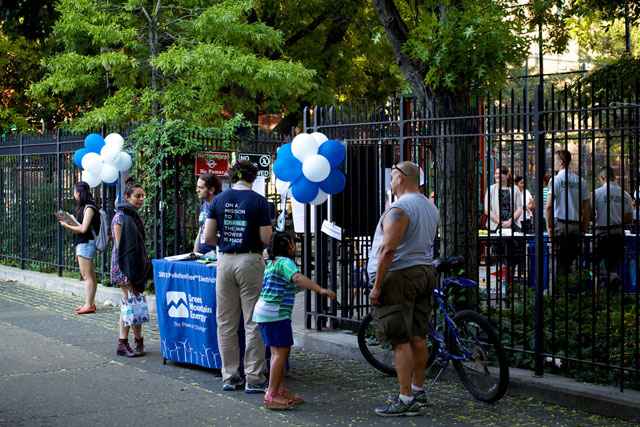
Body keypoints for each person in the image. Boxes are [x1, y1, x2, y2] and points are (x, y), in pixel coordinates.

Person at [367, 161, 439, 417]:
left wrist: (377, 287)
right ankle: (417, 390)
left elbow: (388, 249)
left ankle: (405, 398)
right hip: (424, 272)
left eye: (392, 177)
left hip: (399, 276)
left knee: (400, 339)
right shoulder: (430, 207)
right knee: (418, 336)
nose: (390, 182)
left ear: (401, 178)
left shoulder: (400, 208)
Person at [203, 160, 273, 392]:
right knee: (252, 321)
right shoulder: (260, 201)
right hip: (250, 260)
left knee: (225, 322)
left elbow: (208, 237)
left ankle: (229, 376)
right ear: (253, 179)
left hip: (224, 261)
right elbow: (265, 238)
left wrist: (225, 240)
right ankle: (254, 377)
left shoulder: (218, 200)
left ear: (232, 177)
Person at [253, 231, 336, 409]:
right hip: (275, 313)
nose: (295, 246)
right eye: (293, 243)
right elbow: (297, 278)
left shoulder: (272, 263)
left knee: (277, 353)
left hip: (264, 312)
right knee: (281, 353)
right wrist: (320, 289)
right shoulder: (286, 262)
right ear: (290, 246)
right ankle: (272, 394)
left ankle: (281, 389)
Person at [111, 178, 150, 357]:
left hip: (136, 262)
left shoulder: (136, 215)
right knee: (129, 300)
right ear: (127, 197)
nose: (141, 199)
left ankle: (137, 341)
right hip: (124, 264)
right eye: (137, 196)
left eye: (142, 196)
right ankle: (123, 342)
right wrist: (127, 271)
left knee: (136, 301)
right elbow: (121, 247)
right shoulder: (121, 216)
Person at [545, 150, 591, 278]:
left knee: (555, 263)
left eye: (554, 161)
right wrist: (583, 229)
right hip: (576, 226)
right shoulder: (580, 181)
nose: (553, 163)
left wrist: (549, 228)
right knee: (573, 263)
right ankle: (572, 294)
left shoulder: (555, 180)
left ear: (561, 162)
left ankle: (553, 295)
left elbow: (548, 206)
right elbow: (587, 208)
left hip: (560, 225)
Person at [59, 181, 100, 314]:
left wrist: (67, 225)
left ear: (79, 193)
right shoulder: (86, 207)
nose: (74, 194)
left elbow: (83, 229)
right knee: (90, 275)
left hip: (86, 243)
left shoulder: (89, 208)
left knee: (86, 275)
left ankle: (88, 304)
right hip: (84, 242)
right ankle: (90, 303)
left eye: (74, 191)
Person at [592, 166, 633, 289]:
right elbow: (629, 218)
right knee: (613, 266)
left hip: (602, 233)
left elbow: (589, 215)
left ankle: (611, 278)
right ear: (614, 177)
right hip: (618, 233)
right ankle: (612, 290)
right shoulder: (625, 195)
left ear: (602, 177)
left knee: (592, 263)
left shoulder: (597, 193)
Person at [484, 166, 522, 232]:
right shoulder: (491, 189)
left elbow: (519, 209)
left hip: (513, 225)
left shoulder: (515, 189)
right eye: (496, 173)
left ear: (507, 175)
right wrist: (500, 222)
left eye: (500, 173)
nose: (497, 176)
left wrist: (510, 222)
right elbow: (487, 210)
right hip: (495, 225)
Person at [193, 173, 222, 255]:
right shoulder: (204, 206)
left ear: (211, 190)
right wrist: (195, 253)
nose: (197, 190)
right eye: (197, 187)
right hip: (201, 255)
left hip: (215, 256)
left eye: (201, 187)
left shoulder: (221, 207)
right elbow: (200, 231)